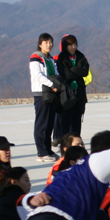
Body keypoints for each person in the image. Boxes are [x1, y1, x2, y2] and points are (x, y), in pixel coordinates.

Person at [30, 33, 60, 162]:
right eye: (46, 42)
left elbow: (56, 73)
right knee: (42, 123)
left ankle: (48, 150)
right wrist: (52, 85)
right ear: (40, 44)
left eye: (50, 42)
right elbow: (38, 75)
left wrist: (59, 84)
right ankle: (41, 153)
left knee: (49, 123)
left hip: (51, 93)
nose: (49, 45)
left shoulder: (50, 59)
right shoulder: (35, 58)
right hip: (41, 93)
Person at [55, 34, 90, 137]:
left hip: (79, 93)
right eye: (70, 45)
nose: (73, 47)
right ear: (65, 46)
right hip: (67, 94)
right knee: (66, 122)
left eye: (75, 44)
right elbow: (66, 74)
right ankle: (65, 143)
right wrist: (78, 73)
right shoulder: (62, 58)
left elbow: (85, 71)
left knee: (77, 121)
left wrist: (72, 70)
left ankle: (76, 142)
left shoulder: (80, 56)